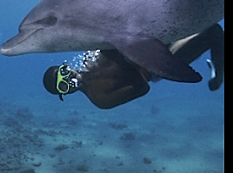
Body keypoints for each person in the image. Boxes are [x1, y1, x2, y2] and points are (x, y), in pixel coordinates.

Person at [42, 24, 224, 109]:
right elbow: (143, 88)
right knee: (212, 31)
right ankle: (218, 77)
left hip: (150, 42)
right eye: (63, 85)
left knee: (206, 25)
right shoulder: (100, 99)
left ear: (66, 66)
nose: (69, 79)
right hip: (157, 66)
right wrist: (130, 61)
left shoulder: (89, 55)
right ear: (65, 94)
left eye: (63, 72)